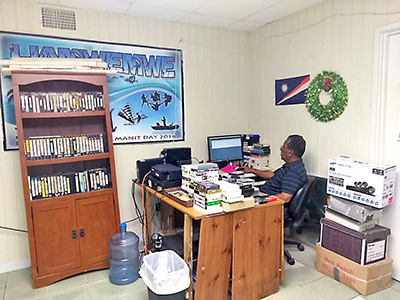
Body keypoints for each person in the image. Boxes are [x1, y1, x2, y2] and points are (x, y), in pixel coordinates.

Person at [242, 134, 307, 203]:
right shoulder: (293, 166)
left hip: (270, 207)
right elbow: (272, 175)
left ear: (290, 152)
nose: (281, 149)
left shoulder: (294, 172)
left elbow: (285, 197)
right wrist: (251, 170)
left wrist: (262, 199)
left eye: (283, 146)